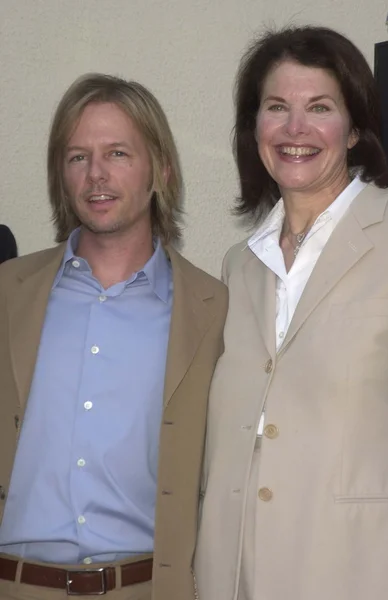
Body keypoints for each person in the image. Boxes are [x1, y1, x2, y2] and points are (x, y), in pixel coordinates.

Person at [0, 73, 228, 600]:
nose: (96, 175)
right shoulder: (9, 292)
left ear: (161, 170)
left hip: (145, 587)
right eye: (78, 157)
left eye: (118, 153)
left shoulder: (214, 311)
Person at [194, 25, 388, 600]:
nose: (295, 129)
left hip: (359, 573)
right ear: (253, 127)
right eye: (276, 107)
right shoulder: (238, 265)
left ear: (354, 128)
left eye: (320, 108)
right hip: (236, 577)